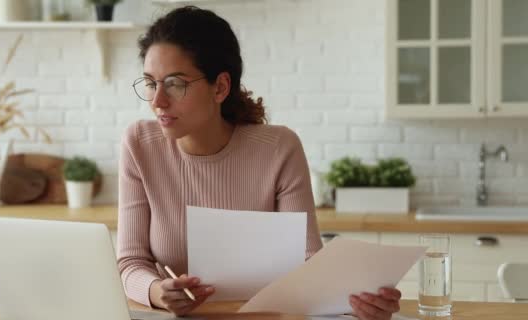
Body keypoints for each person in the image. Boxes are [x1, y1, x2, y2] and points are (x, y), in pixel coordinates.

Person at [117, 6, 401, 320]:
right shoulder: (140, 144)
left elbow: (308, 264)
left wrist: (361, 303)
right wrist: (158, 292)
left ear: (221, 87)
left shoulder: (279, 148)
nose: (157, 101)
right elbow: (130, 263)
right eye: (150, 83)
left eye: (175, 84)